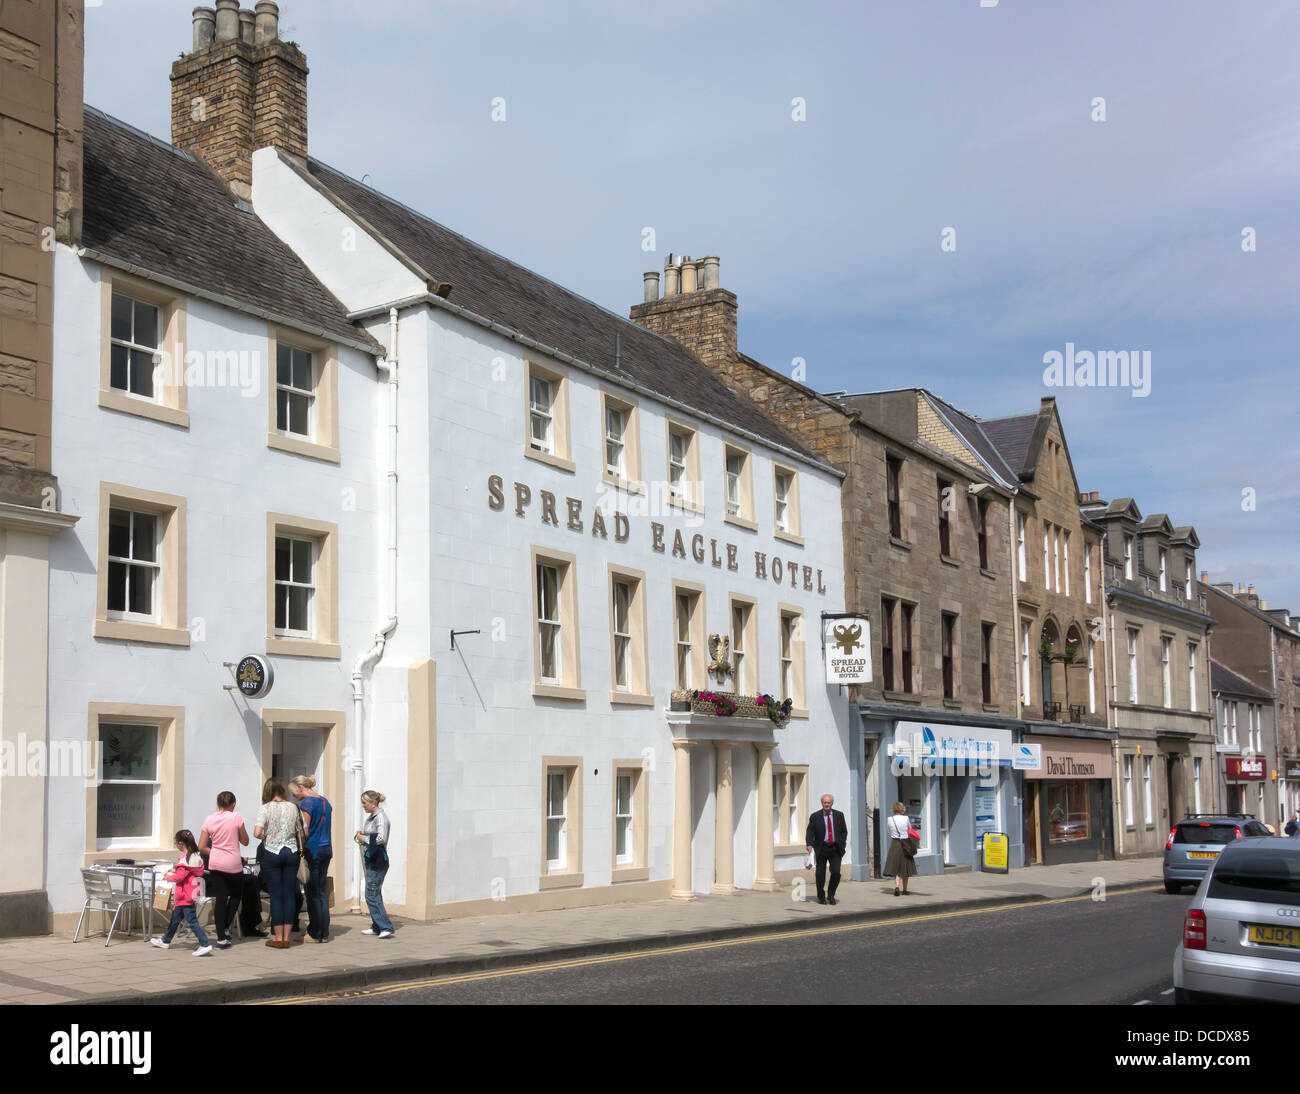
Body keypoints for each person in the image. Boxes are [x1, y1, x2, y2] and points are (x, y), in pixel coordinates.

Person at [254, 777, 301, 949]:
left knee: (276, 896)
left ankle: (278, 937)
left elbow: (257, 832)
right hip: (291, 851)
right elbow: (301, 833)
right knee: (289, 894)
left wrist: (267, 837)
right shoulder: (293, 807)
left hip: (272, 852)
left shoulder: (265, 808)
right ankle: (287, 938)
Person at [149, 829, 213, 955]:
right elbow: (187, 872)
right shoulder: (195, 856)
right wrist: (175, 870)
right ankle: (165, 940)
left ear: (180, 844)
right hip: (190, 894)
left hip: (184, 895)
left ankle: (205, 944)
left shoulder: (185, 860)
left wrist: (166, 876)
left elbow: (180, 877)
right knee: (175, 919)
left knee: (192, 921)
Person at [198, 791, 248, 949]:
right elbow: (245, 841)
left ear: (218, 803)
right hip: (233, 863)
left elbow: (201, 846)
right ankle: (226, 927)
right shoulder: (237, 818)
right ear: (233, 804)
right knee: (235, 896)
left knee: (220, 899)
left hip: (216, 863)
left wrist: (216, 852)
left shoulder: (209, 819)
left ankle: (220, 939)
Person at [289, 774, 333, 942]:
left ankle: (314, 933)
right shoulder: (325, 802)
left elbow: (304, 831)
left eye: (294, 793)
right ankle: (323, 933)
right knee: (321, 892)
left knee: (312, 893)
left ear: (301, 788)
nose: (294, 796)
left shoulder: (307, 803)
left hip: (313, 850)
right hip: (326, 848)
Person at [356, 790, 394, 938]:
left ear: (373, 803)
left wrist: (363, 838)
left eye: (364, 803)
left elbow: (381, 838)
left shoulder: (381, 818)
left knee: (371, 893)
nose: (363, 806)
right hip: (371, 859)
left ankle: (385, 926)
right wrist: (363, 835)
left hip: (378, 861)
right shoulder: (372, 817)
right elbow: (373, 836)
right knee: (373, 893)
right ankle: (377, 925)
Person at [804, 793, 847, 905]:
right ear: (822, 803)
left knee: (836, 872)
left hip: (835, 848)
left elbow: (844, 831)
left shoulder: (839, 815)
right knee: (820, 874)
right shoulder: (815, 816)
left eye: (828, 803)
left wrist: (842, 843)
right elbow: (810, 831)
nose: (826, 804)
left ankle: (831, 894)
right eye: (824, 803)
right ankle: (821, 896)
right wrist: (809, 844)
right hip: (821, 848)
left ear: (831, 803)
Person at [884, 801, 917, 897]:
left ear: (893, 809)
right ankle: (905, 890)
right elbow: (909, 829)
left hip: (895, 843)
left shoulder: (890, 819)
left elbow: (889, 831)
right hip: (905, 843)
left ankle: (897, 887)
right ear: (902, 809)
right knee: (905, 867)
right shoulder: (906, 818)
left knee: (897, 867)